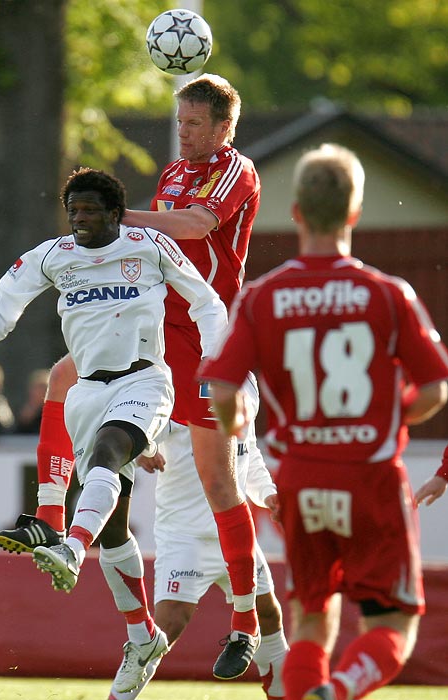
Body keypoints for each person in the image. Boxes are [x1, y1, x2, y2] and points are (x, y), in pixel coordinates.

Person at [0, 73, 263, 679]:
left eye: (195, 124)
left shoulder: (236, 169)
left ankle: (245, 620)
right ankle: (51, 519)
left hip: (202, 337)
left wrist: (118, 219)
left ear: (224, 125)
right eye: (181, 121)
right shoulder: (171, 173)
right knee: (63, 380)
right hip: (152, 326)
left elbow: (195, 226)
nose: (184, 133)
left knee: (221, 483)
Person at [0, 167, 228, 693]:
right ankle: (141, 635)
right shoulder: (53, 256)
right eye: (73, 210)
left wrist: (215, 361)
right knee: (115, 530)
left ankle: (69, 545)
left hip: (144, 380)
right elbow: (6, 307)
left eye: (91, 210)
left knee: (108, 454)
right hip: (87, 392)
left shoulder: (149, 245)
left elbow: (207, 302)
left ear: (115, 213)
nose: (80, 219)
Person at [198, 143, 448, 700]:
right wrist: (384, 418)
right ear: (354, 214)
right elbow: (435, 387)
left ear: (296, 213)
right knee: (392, 626)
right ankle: (339, 691)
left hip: (302, 480)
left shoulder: (263, 297)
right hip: (372, 476)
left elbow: (220, 385)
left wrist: (233, 418)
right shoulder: (388, 295)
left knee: (311, 617)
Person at [108, 377, 289, 700]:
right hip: (185, 535)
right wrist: (144, 448)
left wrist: (268, 494)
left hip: (234, 534)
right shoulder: (174, 376)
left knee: (269, 614)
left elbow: (249, 453)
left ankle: (284, 693)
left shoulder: (245, 382)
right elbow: (138, 423)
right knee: (166, 628)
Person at [13, 368, 50, 434]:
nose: (41, 392)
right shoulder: (20, 411)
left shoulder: (53, 412)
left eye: (44, 388)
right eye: (38, 388)